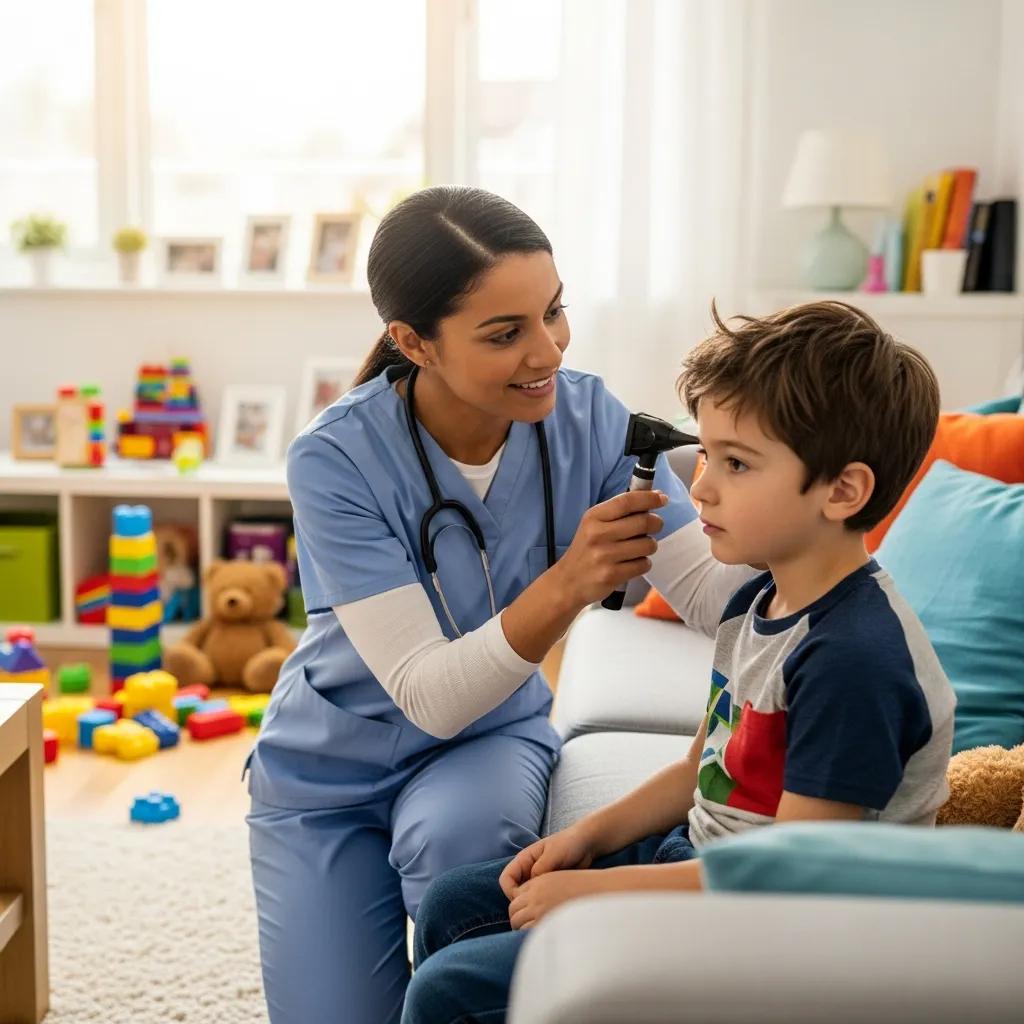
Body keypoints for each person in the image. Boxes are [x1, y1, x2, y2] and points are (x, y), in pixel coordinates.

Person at [245, 186, 753, 1024]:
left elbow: (712, 592)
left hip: (481, 744)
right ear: (414, 343)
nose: (546, 349)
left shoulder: (592, 420)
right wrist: (572, 580)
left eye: (555, 313)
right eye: (505, 333)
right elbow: (429, 692)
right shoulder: (335, 459)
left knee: (465, 863)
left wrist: (828, 599)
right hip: (326, 768)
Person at [401, 299, 957, 1024]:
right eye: (707, 454)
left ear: (843, 490)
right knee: (455, 903)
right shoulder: (761, 602)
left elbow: (790, 878)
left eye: (737, 463)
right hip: (704, 869)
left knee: (454, 992)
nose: (698, 486)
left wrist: (592, 896)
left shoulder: (854, 661)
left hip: (783, 940)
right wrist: (581, 841)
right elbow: (706, 767)